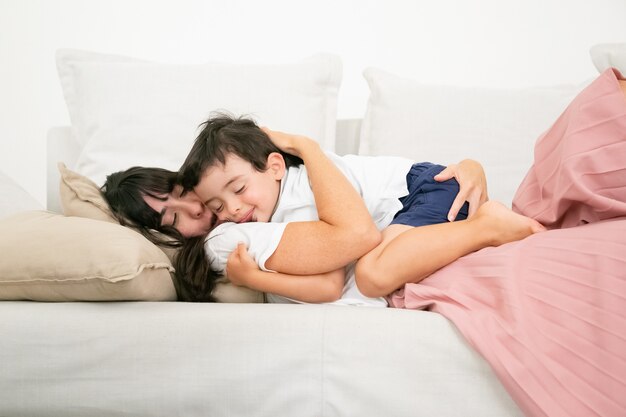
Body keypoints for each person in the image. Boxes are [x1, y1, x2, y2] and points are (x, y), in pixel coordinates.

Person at [175, 115, 542, 303]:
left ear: (275, 167)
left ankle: (486, 225)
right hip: (420, 196)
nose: (234, 209)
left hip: (425, 191)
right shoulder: (282, 204)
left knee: (372, 276)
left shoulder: (298, 194)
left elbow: (329, 285)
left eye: (238, 189)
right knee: (380, 270)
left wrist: (253, 279)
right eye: (217, 206)